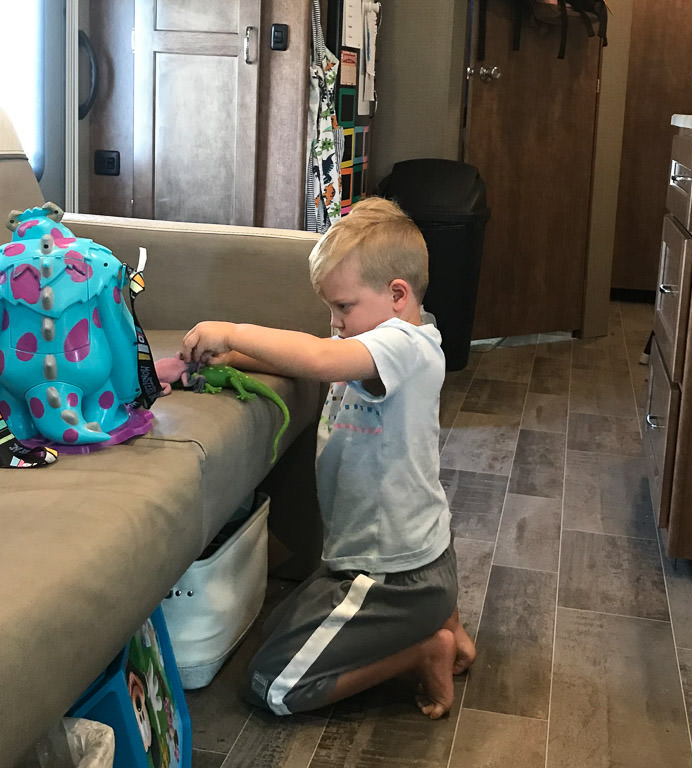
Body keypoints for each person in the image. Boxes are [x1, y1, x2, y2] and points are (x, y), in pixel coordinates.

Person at [180, 196, 475, 719]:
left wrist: (230, 331)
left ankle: (424, 650)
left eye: (343, 307)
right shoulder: (381, 340)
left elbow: (318, 359)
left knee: (272, 685)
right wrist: (236, 359)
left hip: (390, 575)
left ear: (397, 294)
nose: (334, 322)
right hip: (413, 559)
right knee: (278, 628)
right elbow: (317, 359)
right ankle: (444, 623)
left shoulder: (405, 346)